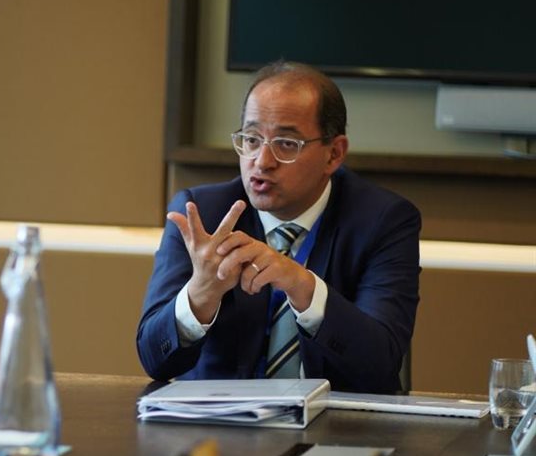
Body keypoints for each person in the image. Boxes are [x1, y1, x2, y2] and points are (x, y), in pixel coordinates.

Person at [136, 61, 420, 394]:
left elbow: (381, 363)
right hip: (219, 421)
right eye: (252, 139)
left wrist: (303, 287)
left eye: (286, 143)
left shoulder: (383, 221)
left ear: (334, 153)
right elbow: (155, 360)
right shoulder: (202, 216)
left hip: (334, 420)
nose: (262, 161)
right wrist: (200, 294)